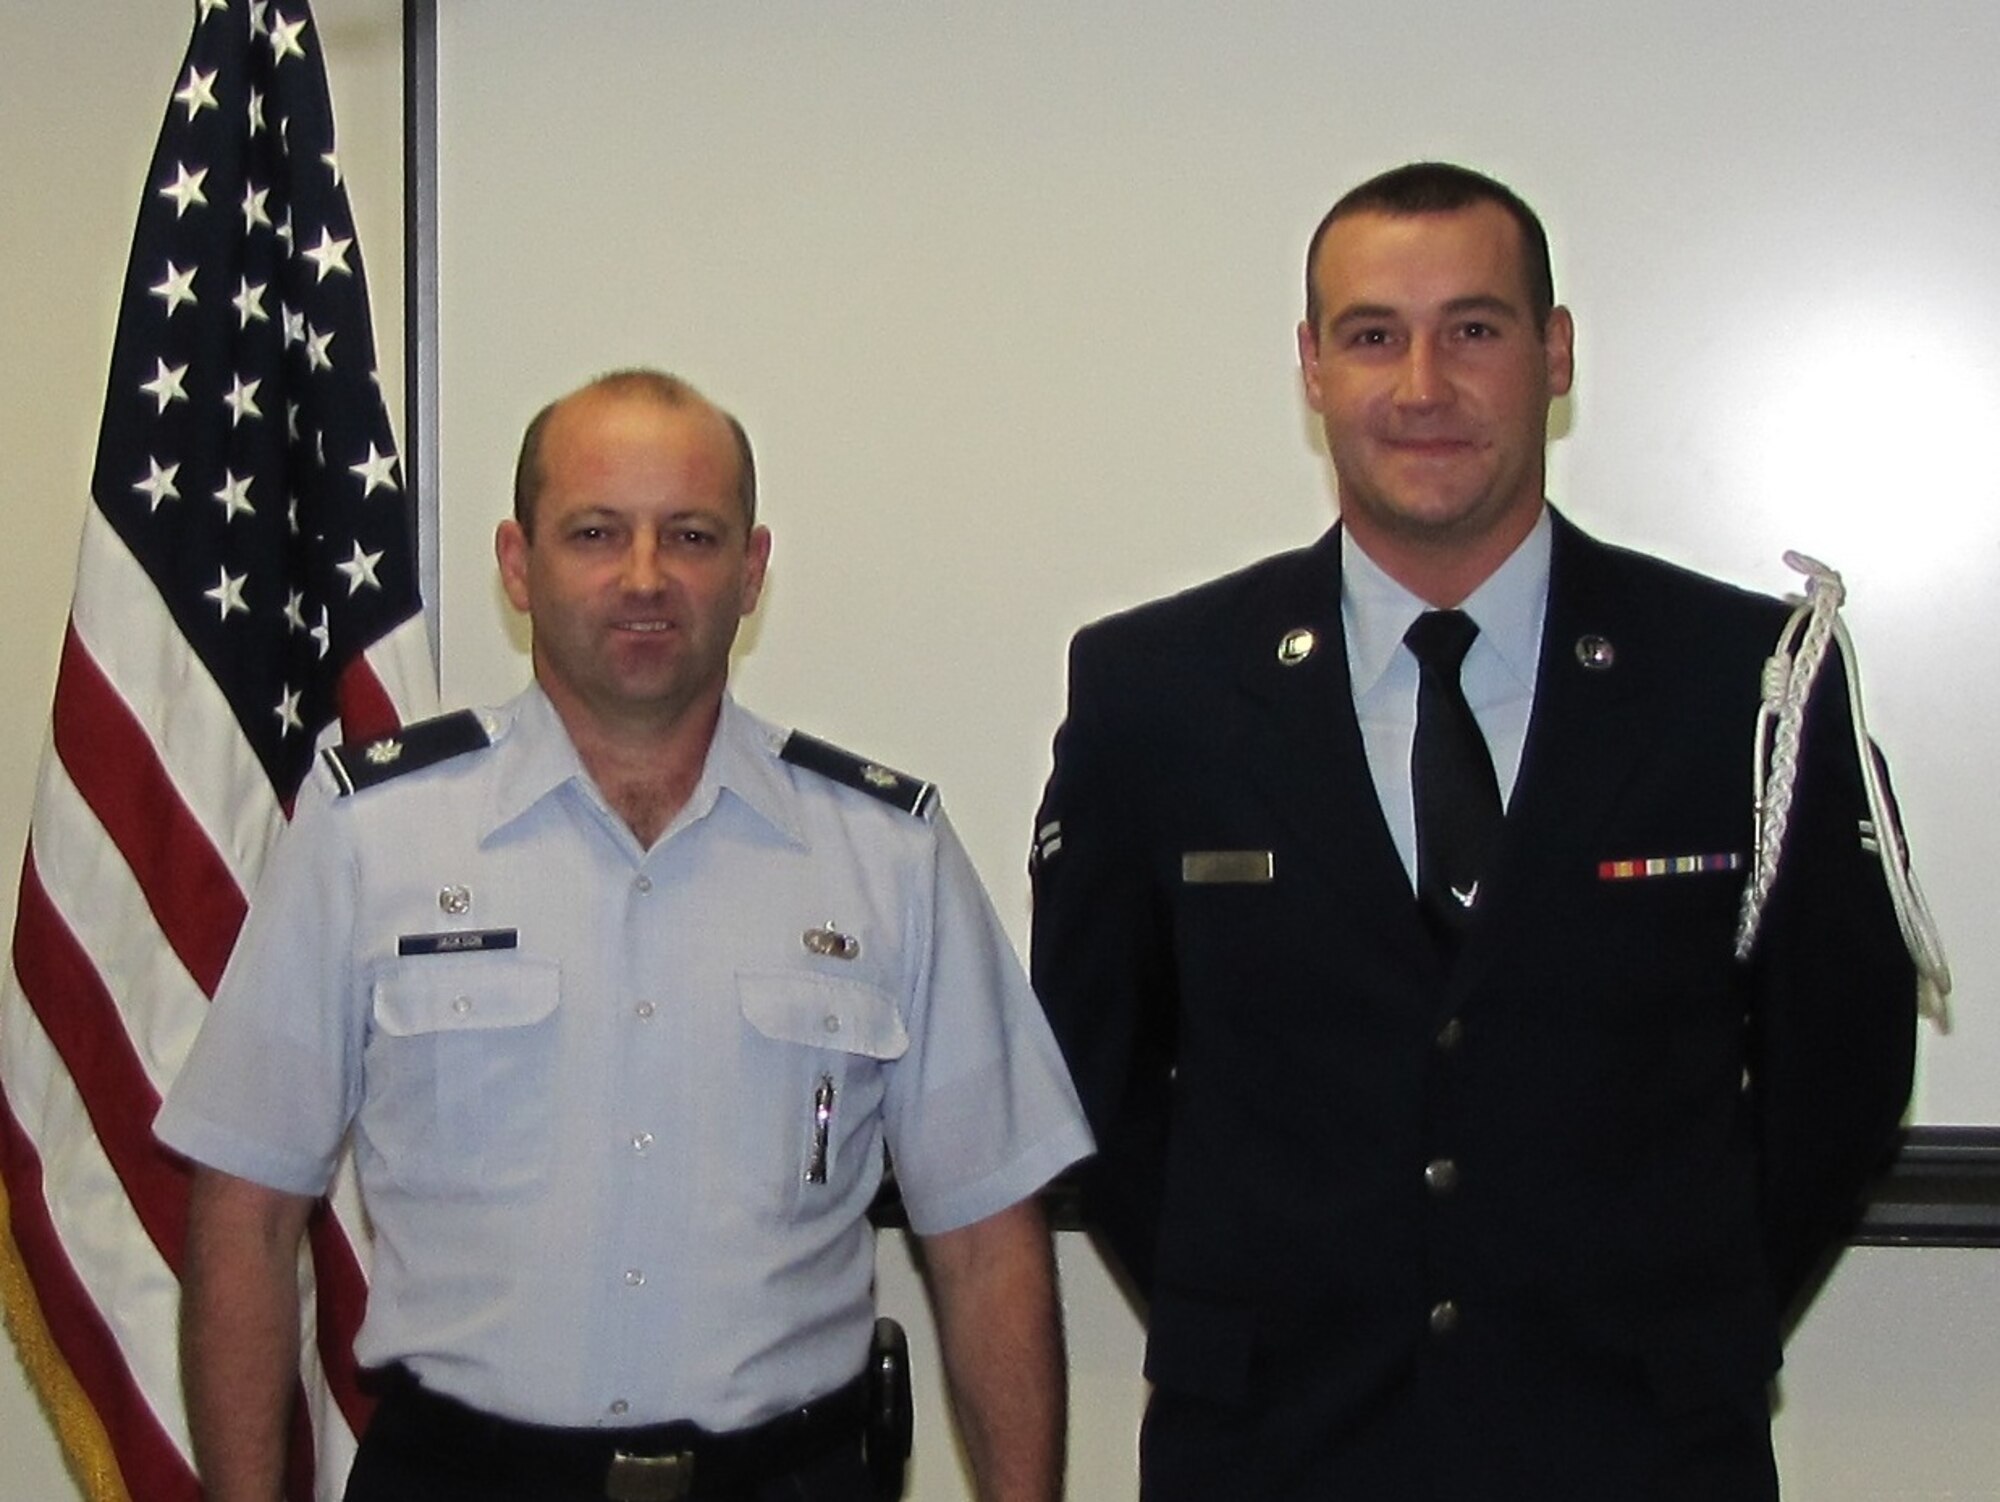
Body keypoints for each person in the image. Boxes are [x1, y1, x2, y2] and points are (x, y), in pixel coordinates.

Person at [1028, 163, 1917, 1500]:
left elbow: (1839, 1070)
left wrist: (1682, 1314)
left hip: (1643, 1447)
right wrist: (1252, 1312)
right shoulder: (1156, 687)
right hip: (1273, 1447)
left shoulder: (1745, 680)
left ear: (1555, 355)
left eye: (1477, 329)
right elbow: (1094, 1065)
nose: (1423, 384)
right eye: (1373, 333)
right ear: (1312, 368)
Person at [158, 369, 1093, 1502]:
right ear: (517, 562)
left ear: (749, 571)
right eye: (595, 531)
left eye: (690, 535)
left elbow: (987, 1238)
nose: (644, 576)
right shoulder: (374, 834)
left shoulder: (883, 850)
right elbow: (246, 1212)